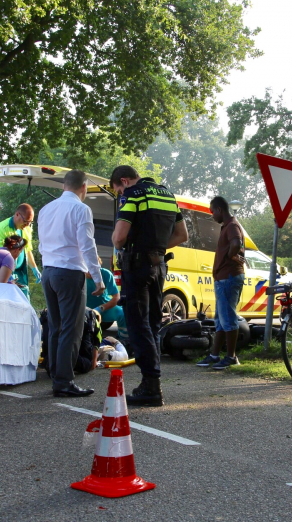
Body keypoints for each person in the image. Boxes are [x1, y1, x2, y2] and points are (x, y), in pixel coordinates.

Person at [110, 165, 188, 407]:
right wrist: (159, 246)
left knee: (137, 323)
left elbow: (119, 237)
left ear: (124, 181)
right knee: (153, 322)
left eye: (117, 190)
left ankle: (151, 385)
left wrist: (124, 244)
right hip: (159, 266)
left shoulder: (133, 195)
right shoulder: (167, 195)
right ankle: (153, 382)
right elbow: (182, 235)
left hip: (138, 265)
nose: (119, 194)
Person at [38, 170, 105, 398]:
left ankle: (56, 374)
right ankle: (64, 381)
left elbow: (40, 245)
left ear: (63, 186)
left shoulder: (46, 209)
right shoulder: (81, 209)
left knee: (55, 327)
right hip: (69, 272)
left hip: (48, 271)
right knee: (71, 329)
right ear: (83, 187)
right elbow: (87, 245)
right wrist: (98, 277)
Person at [196, 196, 246, 370]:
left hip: (229, 277)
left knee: (228, 318)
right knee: (221, 319)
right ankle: (214, 355)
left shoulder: (232, 225)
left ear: (219, 209)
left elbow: (236, 242)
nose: (212, 215)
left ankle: (231, 357)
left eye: (212, 211)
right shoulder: (228, 225)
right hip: (224, 278)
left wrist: (231, 255)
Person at [0, 203, 41, 301]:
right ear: (17, 214)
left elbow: (27, 250)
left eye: (30, 222)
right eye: (25, 221)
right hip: (6, 270)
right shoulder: (1, 229)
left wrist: (35, 269)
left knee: (24, 301)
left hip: (20, 272)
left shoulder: (26, 229)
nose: (27, 225)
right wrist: (8, 276)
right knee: (9, 301)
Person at [85, 256, 129, 346]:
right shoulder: (78, 276)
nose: (91, 272)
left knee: (123, 313)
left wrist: (100, 309)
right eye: (88, 268)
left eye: (94, 269)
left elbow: (116, 297)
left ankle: (124, 340)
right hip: (85, 309)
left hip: (104, 308)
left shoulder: (105, 274)